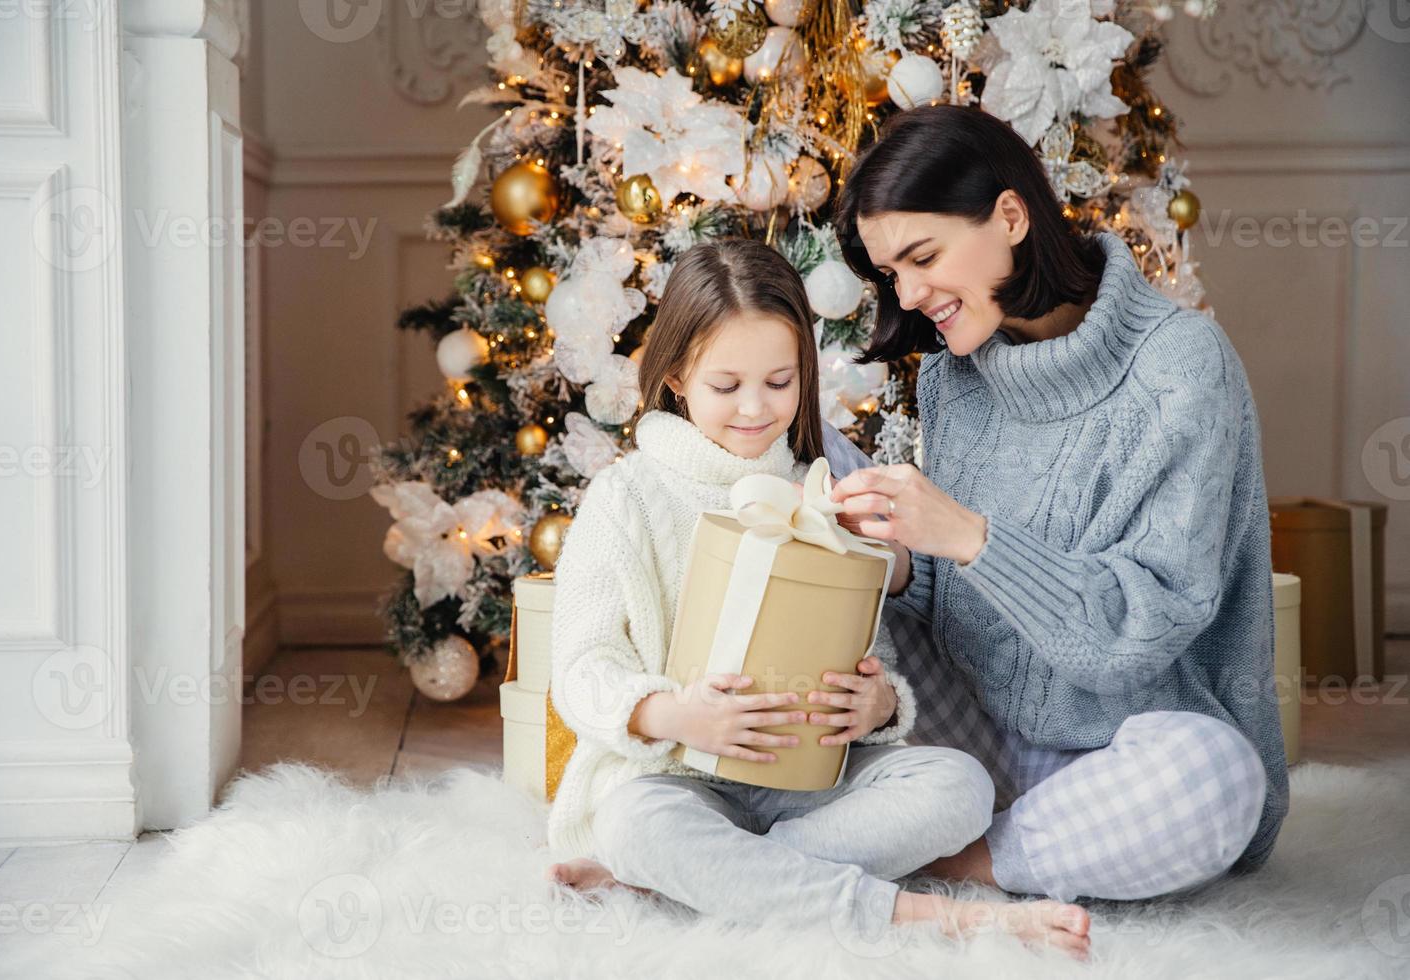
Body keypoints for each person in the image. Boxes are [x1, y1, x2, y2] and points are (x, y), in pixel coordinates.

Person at [544, 238, 1092, 957]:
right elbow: (582, 668)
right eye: (725, 385)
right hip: (675, 780)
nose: (753, 408)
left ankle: (697, 879)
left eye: (779, 382)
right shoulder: (626, 497)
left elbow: (872, 653)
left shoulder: (818, 491)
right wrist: (677, 714)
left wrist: (881, 705)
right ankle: (926, 918)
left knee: (955, 786)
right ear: (676, 377)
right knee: (632, 825)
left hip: (805, 780)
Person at [819, 103, 1286, 904]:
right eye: (891, 272)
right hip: (973, 741)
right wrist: (899, 565)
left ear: (1009, 215)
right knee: (809, 450)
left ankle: (952, 860)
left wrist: (969, 536)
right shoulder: (954, 380)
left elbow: (1137, 634)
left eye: (922, 255)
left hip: (1125, 755)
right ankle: (821, 819)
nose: (911, 291)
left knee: (1218, 780)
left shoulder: (1178, 368)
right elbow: (954, 608)